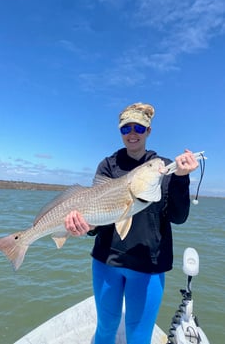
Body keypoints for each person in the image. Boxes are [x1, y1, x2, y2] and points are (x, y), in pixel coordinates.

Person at [64, 102, 199, 344]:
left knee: (138, 336)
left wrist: (181, 179)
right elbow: (97, 220)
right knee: (105, 328)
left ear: (149, 131)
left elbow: (179, 218)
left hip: (149, 267)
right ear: (120, 132)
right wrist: (85, 227)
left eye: (139, 127)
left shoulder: (163, 167)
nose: (132, 133)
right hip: (107, 263)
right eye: (126, 129)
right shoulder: (108, 165)